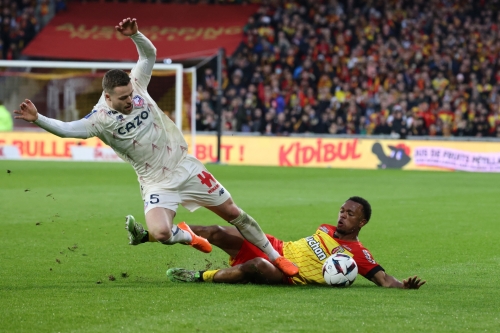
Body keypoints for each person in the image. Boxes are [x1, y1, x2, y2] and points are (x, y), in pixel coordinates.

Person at [13, 17, 298, 277]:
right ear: (107, 96)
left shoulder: (137, 83)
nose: (129, 100)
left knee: (235, 213)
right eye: (122, 98)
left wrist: (135, 35)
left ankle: (275, 258)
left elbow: (148, 55)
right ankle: (188, 236)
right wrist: (38, 119)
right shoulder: (98, 121)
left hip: (184, 167)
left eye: (130, 95)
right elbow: (65, 130)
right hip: (155, 182)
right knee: (161, 233)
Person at [166, 196, 426, 289]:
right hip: (274, 247)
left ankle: (200, 276)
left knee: (257, 265)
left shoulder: (356, 253)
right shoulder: (325, 228)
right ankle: (157, 232)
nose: (342, 216)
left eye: (350, 214)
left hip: (285, 274)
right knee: (216, 231)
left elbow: (383, 279)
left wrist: (403, 286)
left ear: (362, 222)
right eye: (342, 211)